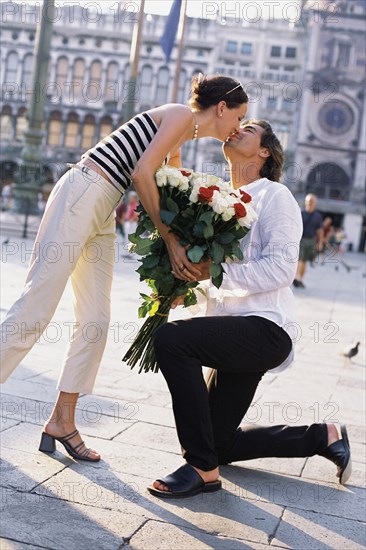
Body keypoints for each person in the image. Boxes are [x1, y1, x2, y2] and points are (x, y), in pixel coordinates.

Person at [0, 75, 249, 462]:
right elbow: (142, 173)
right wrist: (170, 239)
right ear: (222, 108)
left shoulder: (183, 135)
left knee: (96, 319)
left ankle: (62, 420)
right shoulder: (182, 115)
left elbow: (170, 187)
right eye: (240, 116)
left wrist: (196, 234)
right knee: (37, 307)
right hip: (85, 188)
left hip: (102, 207)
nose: (239, 127)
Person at [148, 120, 351, 498]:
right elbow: (218, 273)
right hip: (233, 331)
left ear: (265, 152)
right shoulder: (217, 196)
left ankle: (200, 470)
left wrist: (216, 270)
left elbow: (280, 269)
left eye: (250, 128)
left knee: (172, 340)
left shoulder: (276, 197)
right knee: (218, 443)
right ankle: (323, 435)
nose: (237, 128)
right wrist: (186, 283)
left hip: (264, 329)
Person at [293, 193, 324, 288]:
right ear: (306, 202)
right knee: (300, 260)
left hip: (311, 241)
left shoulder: (317, 216)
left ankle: (300, 279)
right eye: (309, 201)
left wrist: (320, 242)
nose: (310, 203)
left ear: (315, 203)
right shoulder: (300, 213)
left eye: (312, 201)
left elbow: (320, 230)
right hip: (301, 240)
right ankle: (296, 278)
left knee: (305, 261)